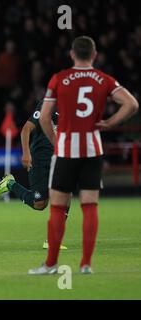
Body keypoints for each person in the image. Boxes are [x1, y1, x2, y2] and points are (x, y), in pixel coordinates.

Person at [28, 36, 138, 275]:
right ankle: (86, 264)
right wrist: (109, 123)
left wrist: (57, 142)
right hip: (92, 148)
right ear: (94, 55)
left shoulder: (60, 79)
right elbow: (131, 104)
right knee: (90, 206)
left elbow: (45, 117)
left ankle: (50, 264)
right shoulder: (104, 79)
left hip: (66, 148)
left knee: (57, 207)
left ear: (72, 54)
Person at [0, 100, 68, 250]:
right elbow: (26, 129)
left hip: (60, 158)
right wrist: (26, 154)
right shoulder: (48, 104)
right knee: (39, 204)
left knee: (66, 195)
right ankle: (9, 184)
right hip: (40, 160)